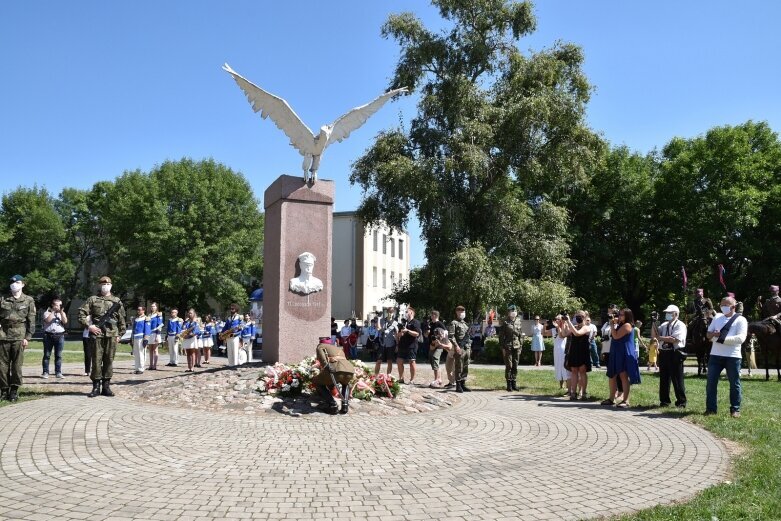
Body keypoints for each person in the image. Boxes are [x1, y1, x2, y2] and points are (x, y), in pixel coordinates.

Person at [78, 276, 126, 398]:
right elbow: (81, 314)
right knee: (96, 360)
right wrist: (90, 327)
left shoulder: (116, 301)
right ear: (99, 285)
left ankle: (106, 386)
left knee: (109, 360)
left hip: (112, 335)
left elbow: (122, 320)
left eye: (108, 283)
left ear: (111, 285)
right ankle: (95, 387)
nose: (105, 285)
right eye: (103, 283)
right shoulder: (92, 299)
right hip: (97, 335)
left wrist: (120, 334)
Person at [705, 297, 748, 418]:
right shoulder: (717, 317)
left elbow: (740, 339)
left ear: (733, 307)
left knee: (734, 384)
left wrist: (719, 339)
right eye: (721, 304)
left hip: (733, 357)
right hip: (715, 356)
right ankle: (711, 409)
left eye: (726, 305)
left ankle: (735, 409)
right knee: (711, 383)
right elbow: (708, 335)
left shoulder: (741, 320)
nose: (723, 307)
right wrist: (713, 335)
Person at [0, 275, 36, 402]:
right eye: (12, 282)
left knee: (16, 366)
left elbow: (31, 320)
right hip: (3, 335)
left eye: (17, 282)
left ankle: (14, 390)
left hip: (19, 336)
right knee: (2, 366)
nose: (14, 284)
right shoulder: (3, 298)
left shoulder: (28, 300)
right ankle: (4, 390)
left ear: (23, 284)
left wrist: (28, 337)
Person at [602, 308, 641, 408]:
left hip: (623, 352)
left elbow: (616, 336)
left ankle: (625, 400)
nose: (619, 316)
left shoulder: (627, 325)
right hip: (616, 352)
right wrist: (614, 323)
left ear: (627, 316)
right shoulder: (619, 324)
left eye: (621, 315)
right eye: (619, 314)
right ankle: (611, 399)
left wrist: (612, 325)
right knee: (612, 375)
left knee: (623, 375)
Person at [655, 305, 687, 408]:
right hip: (664, 352)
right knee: (664, 378)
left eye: (670, 313)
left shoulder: (680, 325)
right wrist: (653, 322)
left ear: (676, 314)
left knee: (677, 378)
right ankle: (664, 401)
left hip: (675, 352)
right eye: (667, 313)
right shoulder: (664, 325)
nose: (667, 314)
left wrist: (660, 338)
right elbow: (654, 335)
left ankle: (681, 402)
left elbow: (674, 339)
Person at [313, 337, 355, 414]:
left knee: (317, 382)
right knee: (345, 384)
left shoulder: (321, 346)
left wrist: (326, 366)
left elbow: (322, 359)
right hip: (350, 369)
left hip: (336, 370)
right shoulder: (337, 348)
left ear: (321, 342)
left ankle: (333, 405)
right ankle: (345, 406)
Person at [561, 311, 592, 400]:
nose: (579, 318)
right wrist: (564, 323)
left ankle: (583, 393)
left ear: (585, 317)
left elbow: (577, 334)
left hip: (583, 351)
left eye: (581, 316)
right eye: (577, 316)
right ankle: (573, 393)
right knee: (574, 371)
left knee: (582, 371)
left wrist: (569, 322)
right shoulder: (574, 327)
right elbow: (564, 334)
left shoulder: (587, 328)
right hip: (574, 351)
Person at [497, 304, 524, 391]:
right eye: (512, 311)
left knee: (515, 365)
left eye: (515, 311)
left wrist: (521, 346)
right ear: (508, 313)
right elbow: (501, 336)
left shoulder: (519, 321)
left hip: (517, 346)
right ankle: (509, 383)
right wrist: (502, 347)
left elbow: (521, 335)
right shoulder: (505, 322)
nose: (514, 312)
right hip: (507, 346)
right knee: (509, 365)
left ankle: (514, 382)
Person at [42, 296, 68, 379]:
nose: (58, 307)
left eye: (59, 305)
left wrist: (62, 313)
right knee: (47, 355)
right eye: (56, 305)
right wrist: (53, 312)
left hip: (60, 336)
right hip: (48, 335)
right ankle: (45, 372)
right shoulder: (47, 312)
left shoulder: (62, 313)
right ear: (53, 305)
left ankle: (58, 372)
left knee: (58, 355)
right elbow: (48, 320)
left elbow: (65, 321)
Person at [448, 305, 472, 393]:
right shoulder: (454, 323)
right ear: (456, 312)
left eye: (463, 311)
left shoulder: (466, 324)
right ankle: (458, 385)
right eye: (460, 311)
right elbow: (451, 336)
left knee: (465, 366)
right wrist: (456, 346)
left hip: (467, 348)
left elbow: (468, 337)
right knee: (459, 366)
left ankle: (463, 384)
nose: (462, 313)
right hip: (459, 347)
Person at [396, 307, 422, 384]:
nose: (405, 313)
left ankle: (412, 379)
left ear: (411, 313)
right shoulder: (403, 322)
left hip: (411, 345)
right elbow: (398, 334)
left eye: (407, 312)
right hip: (402, 345)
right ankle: (401, 378)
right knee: (399, 361)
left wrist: (407, 330)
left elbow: (417, 334)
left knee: (412, 362)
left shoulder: (416, 322)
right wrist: (400, 334)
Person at [547, 315, 570, 392]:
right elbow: (544, 333)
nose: (556, 320)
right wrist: (545, 326)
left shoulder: (565, 327)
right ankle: (561, 384)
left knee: (564, 366)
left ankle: (567, 385)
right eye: (555, 319)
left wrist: (558, 327)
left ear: (561, 320)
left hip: (563, 349)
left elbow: (562, 336)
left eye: (558, 319)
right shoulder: (554, 329)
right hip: (556, 350)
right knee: (558, 366)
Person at [426, 310, 447, 388]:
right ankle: (439, 379)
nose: (431, 317)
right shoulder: (432, 324)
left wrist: (441, 340)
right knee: (433, 361)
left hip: (439, 345)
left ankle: (436, 380)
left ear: (435, 315)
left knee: (435, 359)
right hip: (432, 345)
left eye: (432, 315)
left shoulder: (439, 323)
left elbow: (445, 332)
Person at [376, 310, 398, 375]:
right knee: (378, 361)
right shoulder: (382, 320)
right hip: (382, 343)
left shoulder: (395, 322)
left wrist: (397, 345)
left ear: (393, 313)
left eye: (392, 312)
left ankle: (388, 376)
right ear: (387, 313)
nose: (390, 314)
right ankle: (376, 376)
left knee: (389, 361)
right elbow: (378, 327)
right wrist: (379, 317)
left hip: (390, 344)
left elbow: (397, 334)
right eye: (389, 312)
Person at [131, 306, 149, 375]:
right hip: (135, 337)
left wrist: (146, 339)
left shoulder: (146, 318)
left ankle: (141, 368)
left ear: (143, 311)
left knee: (141, 353)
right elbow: (133, 330)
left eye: (139, 310)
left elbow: (147, 329)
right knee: (136, 353)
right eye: (137, 310)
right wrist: (131, 338)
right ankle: (137, 368)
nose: (138, 311)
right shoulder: (136, 319)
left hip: (141, 338)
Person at [146, 302, 163, 370]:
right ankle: (150, 365)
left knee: (155, 350)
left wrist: (157, 334)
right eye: (151, 306)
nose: (152, 307)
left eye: (154, 306)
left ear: (156, 307)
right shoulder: (149, 315)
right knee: (150, 350)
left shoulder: (158, 315)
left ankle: (155, 365)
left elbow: (160, 324)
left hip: (156, 333)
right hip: (150, 333)